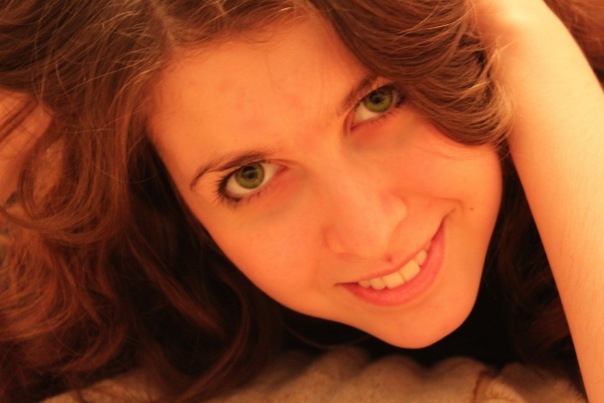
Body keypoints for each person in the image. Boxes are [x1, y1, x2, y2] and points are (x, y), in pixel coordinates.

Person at [1, 0, 603, 401]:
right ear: (172, 202)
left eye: (378, 101)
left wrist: (521, 30)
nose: (369, 233)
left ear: (461, 50)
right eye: (251, 176)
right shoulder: (137, 315)